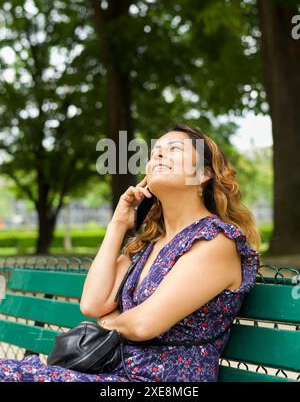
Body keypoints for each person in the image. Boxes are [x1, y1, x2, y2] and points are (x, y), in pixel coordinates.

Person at [0, 123, 260, 382]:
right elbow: (94, 303)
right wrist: (118, 225)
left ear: (203, 174)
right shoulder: (149, 244)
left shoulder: (216, 241)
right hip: (113, 373)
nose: (158, 154)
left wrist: (110, 322)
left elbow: (145, 323)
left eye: (174, 149)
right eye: (155, 151)